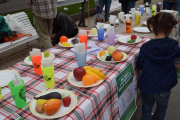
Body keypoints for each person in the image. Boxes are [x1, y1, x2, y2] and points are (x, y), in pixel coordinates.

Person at [136, 12, 179, 120]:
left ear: (153, 28)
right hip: (166, 84)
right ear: (170, 29)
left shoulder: (145, 47)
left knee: (146, 110)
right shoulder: (173, 45)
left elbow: (140, 64)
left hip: (148, 84)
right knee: (161, 109)